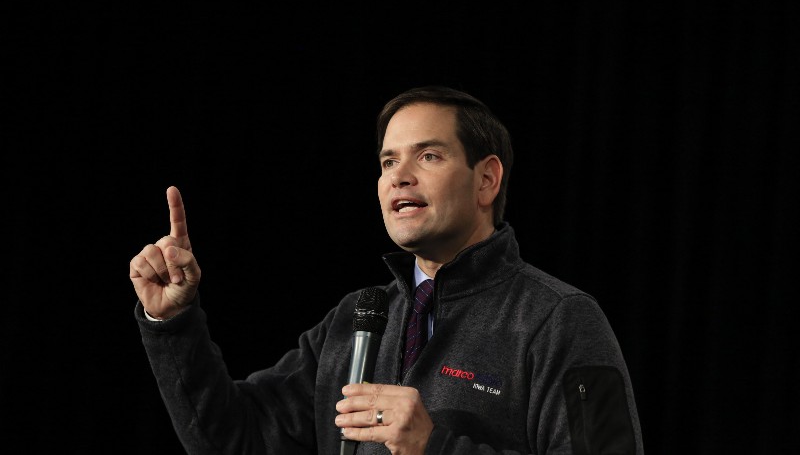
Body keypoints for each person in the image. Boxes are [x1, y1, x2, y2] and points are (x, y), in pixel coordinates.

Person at [129, 85, 645, 454]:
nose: (399, 176)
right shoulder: (357, 318)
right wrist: (173, 324)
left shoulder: (561, 320)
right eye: (387, 161)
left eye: (429, 156)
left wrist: (434, 447)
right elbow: (232, 438)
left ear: (486, 180)